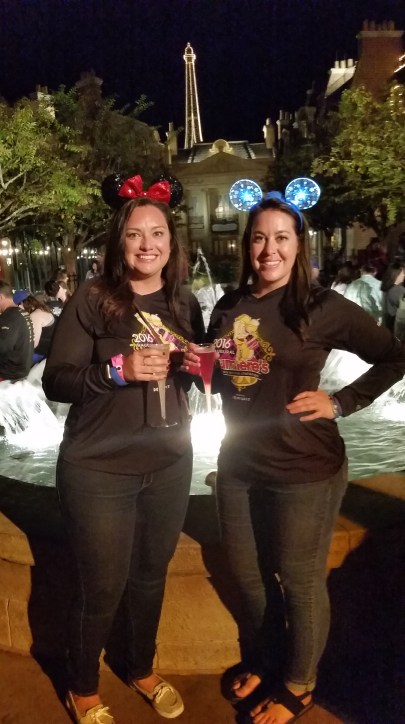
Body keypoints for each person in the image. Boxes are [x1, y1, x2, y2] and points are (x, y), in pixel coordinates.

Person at [184, 192, 405, 724]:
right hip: (239, 465)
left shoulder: (320, 306)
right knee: (250, 576)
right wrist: (197, 368)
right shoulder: (229, 306)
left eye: (281, 238)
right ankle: (268, 660)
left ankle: (300, 683)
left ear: (298, 246)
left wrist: (341, 402)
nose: (270, 249)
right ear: (247, 245)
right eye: (260, 237)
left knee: (299, 580)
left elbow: (394, 356)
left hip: (305, 467)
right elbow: (228, 380)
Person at [42, 175, 205, 724]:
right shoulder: (92, 299)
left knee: (151, 576)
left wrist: (204, 366)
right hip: (99, 469)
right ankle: (82, 685)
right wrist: (118, 370)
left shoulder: (184, 302)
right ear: (120, 241)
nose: (146, 244)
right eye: (135, 234)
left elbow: (193, 377)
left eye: (157, 233)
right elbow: (57, 381)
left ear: (171, 242)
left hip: (169, 465)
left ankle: (140, 667)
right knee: (102, 585)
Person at [0, 281, 34, 381]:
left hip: (8, 375)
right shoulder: (22, 312)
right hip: (21, 370)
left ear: (0, 297)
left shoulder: (9, 317)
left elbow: (2, 347)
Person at [14, 290, 56, 364]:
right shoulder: (41, 309)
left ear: (20, 305)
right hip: (48, 351)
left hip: (44, 354)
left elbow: (33, 344)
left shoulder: (35, 315)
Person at [381, 262, 405, 331]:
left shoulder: (386, 287)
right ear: (396, 274)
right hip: (397, 327)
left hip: (388, 325)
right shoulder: (398, 290)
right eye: (403, 273)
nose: (404, 275)